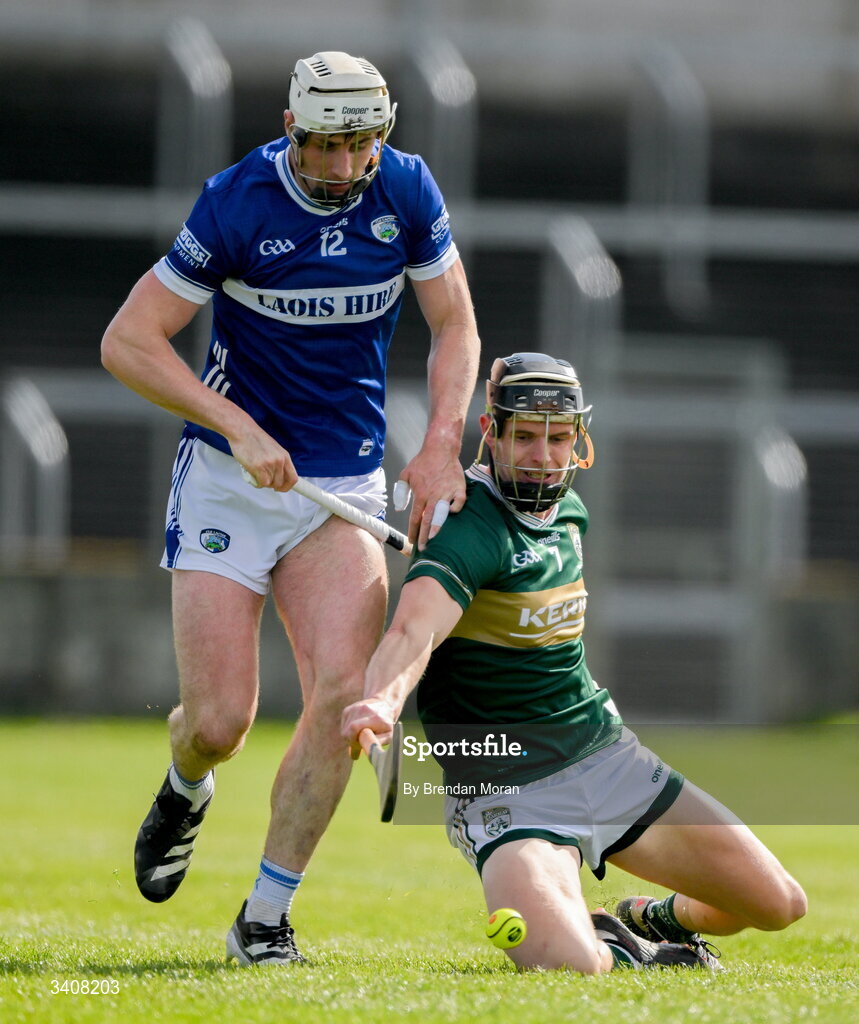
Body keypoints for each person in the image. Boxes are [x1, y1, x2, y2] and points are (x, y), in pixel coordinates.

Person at [101, 50, 480, 965]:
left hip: (339, 489)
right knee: (221, 719)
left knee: (343, 699)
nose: (345, 166)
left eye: (362, 144)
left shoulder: (406, 192)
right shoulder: (236, 201)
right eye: (325, 146)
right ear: (290, 129)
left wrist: (438, 448)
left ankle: (263, 919)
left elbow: (454, 323)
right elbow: (129, 342)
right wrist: (237, 427)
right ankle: (186, 780)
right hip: (233, 479)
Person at [341, 351, 807, 974]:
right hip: (506, 790)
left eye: (559, 438)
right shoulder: (468, 530)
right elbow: (411, 631)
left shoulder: (568, 510)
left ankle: (653, 919)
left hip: (604, 756)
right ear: (493, 433)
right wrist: (382, 701)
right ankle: (619, 945)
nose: (544, 456)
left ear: (579, 438)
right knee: (572, 966)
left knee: (778, 905)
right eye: (526, 437)